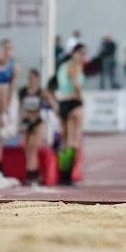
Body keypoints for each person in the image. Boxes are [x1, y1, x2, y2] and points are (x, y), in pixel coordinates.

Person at [56, 43, 87, 184]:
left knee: (66, 140)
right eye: (80, 53)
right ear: (74, 53)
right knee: (74, 140)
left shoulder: (63, 66)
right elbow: (76, 85)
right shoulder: (74, 67)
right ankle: (67, 175)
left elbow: (58, 85)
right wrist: (80, 97)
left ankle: (64, 174)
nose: (82, 56)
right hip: (73, 102)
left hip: (63, 103)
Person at [18, 69, 55, 184]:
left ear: (37, 79)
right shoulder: (23, 91)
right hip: (26, 121)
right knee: (27, 149)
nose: (31, 80)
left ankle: (33, 174)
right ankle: (31, 173)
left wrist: (48, 100)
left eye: (33, 78)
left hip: (37, 121)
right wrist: (19, 123)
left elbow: (52, 104)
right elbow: (20, 109)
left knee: (34, 147)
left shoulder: (41, 92)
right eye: (29, 78)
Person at [0, 38, 18, 136]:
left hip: (7, 96)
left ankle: (4, 116)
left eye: (10, 49)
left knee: (6, 89)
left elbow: (13, 87)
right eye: (5, 49)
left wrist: (6, 107)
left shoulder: (14, 66)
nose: (7, 52)